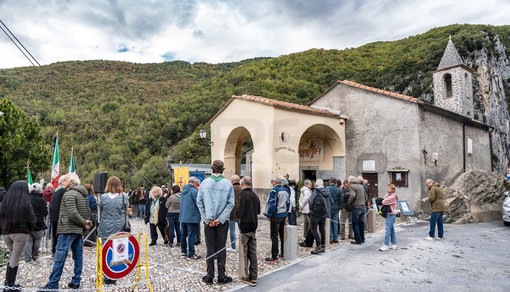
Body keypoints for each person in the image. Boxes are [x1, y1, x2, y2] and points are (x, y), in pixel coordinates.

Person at [42, 173, 92, 290]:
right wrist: (84, 223)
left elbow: (72, 213)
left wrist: (84, 223)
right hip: (78, 230)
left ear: (71, 181)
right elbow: (87, 211)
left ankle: (53, 283)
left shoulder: (69, 194)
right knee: (78, 256)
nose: (61, 183)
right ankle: (76, 281)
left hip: (67, 229)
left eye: (64, 180)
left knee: (59, 256)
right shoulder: (83, 194)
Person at [197, 160, 235, 285]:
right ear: (223, 170)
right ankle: (221, 276)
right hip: (222, 222)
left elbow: (199, 202)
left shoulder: (204, 183)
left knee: (210, 248)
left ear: (211, 169)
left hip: (208, 221)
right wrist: (221, 219)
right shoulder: (227, 184)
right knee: (221, 248)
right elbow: (230, 204)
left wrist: (207, 219)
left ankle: (209, 275)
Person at [0, 180, 36, 291]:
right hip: (20, 232)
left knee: (12, 256)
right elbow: (32, 219)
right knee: (15, 257)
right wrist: (29, 230)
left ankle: (8, 282)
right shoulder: (25, 202)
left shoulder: (5, 202)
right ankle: (10, 284)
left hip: (6, 232)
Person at [97, 176, 128, 285]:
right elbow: (125, 211)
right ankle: (114, 274)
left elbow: (100, 210)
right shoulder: (124, 196)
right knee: (118, 250)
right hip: (119, 225)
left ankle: (106, 275)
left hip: (105, 225)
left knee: (105, 250)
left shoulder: (103, 197)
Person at [236, 176, 260, 287]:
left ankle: (245, 275)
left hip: (244, 226)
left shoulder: (242, 195)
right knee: (253, 252)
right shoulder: (255, 195)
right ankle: (254, 275)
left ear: (242, 184)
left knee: (244, 252)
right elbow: (258, 211)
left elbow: (239, 213)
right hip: (253, 225)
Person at [263, 177, 289, 261]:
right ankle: (283, 252)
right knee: (282, 234)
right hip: (283, 213)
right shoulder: (285, 190)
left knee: (274, 235)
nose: (271, 182)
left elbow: (272, 204)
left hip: (276, 214)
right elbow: (288, 202)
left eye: (272, 181)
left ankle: (274, 255)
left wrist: (269, 214)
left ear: (275, 182)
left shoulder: (274, 191)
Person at [24, 183, 48, 263]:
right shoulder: (41, 200)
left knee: (28, 241)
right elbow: (45, 213)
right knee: (37, 240)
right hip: (38, 222)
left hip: (27, 222)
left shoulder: (26, 198)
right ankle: (35, 256)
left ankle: (27, 259)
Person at [179, 177, 202, 259]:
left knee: (183, 234)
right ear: (195, 182)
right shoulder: (194, 191)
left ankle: (183, 251)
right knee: (191, 235)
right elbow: (198, 203)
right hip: (192, 216)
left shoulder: (183, 191)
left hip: (183, 216)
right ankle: (191, 253)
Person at [309, 179, 332, 254]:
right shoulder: (327, 191)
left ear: (317, 184)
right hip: (323, 213)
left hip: (315, 213)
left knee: (314, 229)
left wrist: (311, 208)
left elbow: (311, 201)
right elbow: (332, 201)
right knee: (322, 229)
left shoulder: (316, 191)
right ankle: (323, 246)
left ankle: (318, 245)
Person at [49, 176, 66, 255]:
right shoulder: (63, 190)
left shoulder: (56, 191)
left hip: (54, 215)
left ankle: (54, 250)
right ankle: (58, 251)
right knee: (60, 235)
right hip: (60, 216)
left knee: (54, 234)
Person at [348, 175, 367, 245]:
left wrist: (349, 202)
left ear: (350, 182)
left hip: (356, 207)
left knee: (355, 224)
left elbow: (352, 195)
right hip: (362, 207)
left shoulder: (353, 187)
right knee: (361, 224)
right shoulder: (361, 186)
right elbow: (366, 196)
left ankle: (358, 240)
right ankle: (362, 239)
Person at [379, 184, 398, 251]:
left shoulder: (392, 197)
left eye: (389, 188)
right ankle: (394, 244)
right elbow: (384, 199)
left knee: (387, 230)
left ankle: (385, 245)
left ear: (392, 190)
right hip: (390, 214)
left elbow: (383, 202)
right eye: (387, 188)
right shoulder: (390, 196)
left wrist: (386, 197)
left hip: (390, 214)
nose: (387, 189)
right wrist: (387, 196)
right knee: (392, 230)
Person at [228, 175, 242, 251]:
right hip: (241, 213)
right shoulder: (242, 189)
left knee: (232, 230)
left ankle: (233, 246)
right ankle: (243, 245)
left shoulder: (230, 189)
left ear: (232, 181)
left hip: (232, 212)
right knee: (242, 230)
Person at [298, 179, 313, 246]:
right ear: (306, 184)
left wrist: (300, 206)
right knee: (309, 224)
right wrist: (301, 206)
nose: (311, 185)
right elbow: (305, 199)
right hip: (307, 209)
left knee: (306, 223)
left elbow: (300, 199)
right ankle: (307, 237)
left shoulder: (303, 190)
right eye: (310, 184)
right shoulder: (307, 191)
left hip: (304, 209)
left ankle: (305, 237)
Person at [328, 178, 341, 243]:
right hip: (336, 208)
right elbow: (340, 200)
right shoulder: (338, 190)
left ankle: (330, 237)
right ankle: (336, 238)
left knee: (329, 223)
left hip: (329, 208)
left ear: (330, 181)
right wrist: (339, 207)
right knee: (335, 223)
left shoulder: (327, 189)